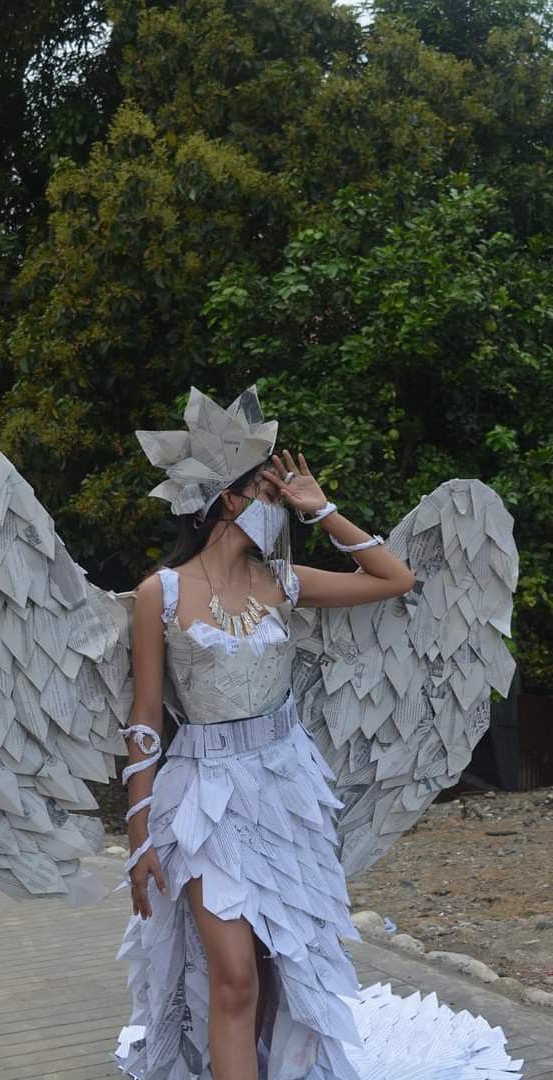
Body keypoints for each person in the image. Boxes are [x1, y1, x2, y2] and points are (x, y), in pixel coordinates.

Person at [114, 385, 414, 1079]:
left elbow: (395, 578)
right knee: (235, 977)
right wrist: (138, 841)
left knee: (284, 976)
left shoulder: (284, 581)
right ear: (230, 499)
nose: (282, 508)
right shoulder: (159, 593)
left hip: (286, 792)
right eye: (272, 495)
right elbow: (147, 718)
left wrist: (323, 509)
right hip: (204, 804)